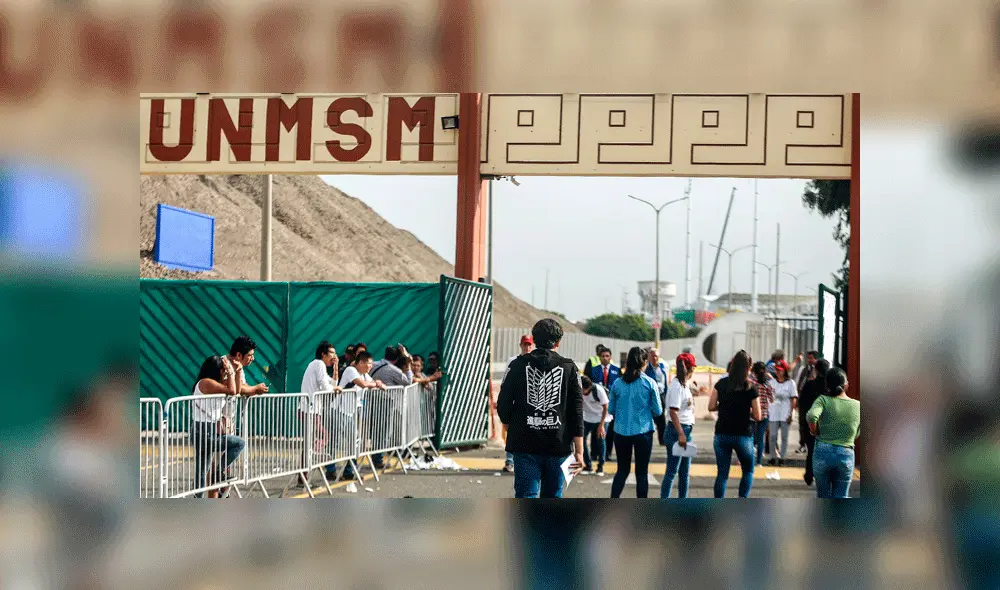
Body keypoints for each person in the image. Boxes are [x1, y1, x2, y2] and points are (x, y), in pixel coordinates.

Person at [496, 319, 585, 498]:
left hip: (524, 443)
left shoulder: (517, 365)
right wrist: (580, 452)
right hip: (559, 446)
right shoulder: (569, 368)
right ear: (558, 342)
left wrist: (509, 427)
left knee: (525, 496)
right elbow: (577, 410)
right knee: (553, 497)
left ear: (534, 340)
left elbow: (503, 404)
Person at [608, 347, 663, 498]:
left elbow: (611, 410)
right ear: (644, 362)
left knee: (622, 471)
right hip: (643, 432)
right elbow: (658, 411)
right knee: (641, 473)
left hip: (620, 431)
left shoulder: (617, 383)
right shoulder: (650, 383)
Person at [190, 356, 248, 499]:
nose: (225, 373)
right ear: (216, 370)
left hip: (206, 432)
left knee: (202, 470)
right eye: (223, 370)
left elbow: (237, 390)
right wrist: (231, 372)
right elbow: (232, 391)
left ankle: (198, 498)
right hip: (204, 432)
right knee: (239, 443)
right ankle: (218, 472)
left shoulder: (214, 383)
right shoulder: (206, 383)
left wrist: (238, 371)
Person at [710, 350, 761, 498]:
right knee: (748, 470)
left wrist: (725, 405)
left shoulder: (721, 384)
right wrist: (745, 410)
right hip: (743, 435)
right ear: (748, 367)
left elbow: (711, 406)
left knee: (722, 474)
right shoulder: (751, 388)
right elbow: (758, 415)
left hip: (721, 434)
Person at [807, 367, 861, 498]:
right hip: (846, 452)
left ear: (827, 386)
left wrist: (814, 431)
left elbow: (811, 416)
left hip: (822, 451)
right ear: (846, 385)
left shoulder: (823, 400)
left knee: (823, 495)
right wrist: (851, 437)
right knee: (841, 496)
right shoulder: (857, 405)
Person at [298, 341, 343, 483]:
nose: (334, 356)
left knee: (311, 442)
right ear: (323, 354)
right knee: (319, 438)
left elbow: (332, 383)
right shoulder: (319, 364)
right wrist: (335, 389)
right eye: (332, 353)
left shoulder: (319, 365)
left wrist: (336, 367)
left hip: (312, 410)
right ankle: (307, 469)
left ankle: (305, 472)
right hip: (308, 409)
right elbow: (326, 387)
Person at [337, 350, 384, 479]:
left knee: (353, 440)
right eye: (369, 364)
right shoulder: (351, 370)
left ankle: (348, 471)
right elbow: (364, 385)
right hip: (339, 410)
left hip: (350, 412)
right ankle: (337, 470)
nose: (371, 367)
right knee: (338, 441)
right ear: (361, 362)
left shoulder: (364, 374)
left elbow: (371, 382)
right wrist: (376, 384)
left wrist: (377, 383)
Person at [660, 353, 696, 498]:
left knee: (684, 473)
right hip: (678, 431)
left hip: (685, 430)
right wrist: (681, 434)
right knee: (672, 471)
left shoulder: (684, 384)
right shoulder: (676, 386)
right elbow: (673, 412)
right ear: (690, 368)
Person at [501, 335, 536, 473]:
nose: (527, 347)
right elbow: (505, 381)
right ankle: (510, 461)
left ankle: (527, 462)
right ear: (520, 345)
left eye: (529, 345)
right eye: (525, 345)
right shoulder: (513, 361)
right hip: (516, 403)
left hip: (531, 403)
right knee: (512, 433)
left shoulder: (536, 361)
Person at [799, 358, 831, 486]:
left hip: (810, 423)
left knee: (811, 450)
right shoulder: (831, 388)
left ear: (816, 370)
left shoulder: (809, 385)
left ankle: (809, 474)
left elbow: (802, 407)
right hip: (827, 424)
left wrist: (802, 426)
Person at [589, 346, 620, 462]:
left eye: (607, 356)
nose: (605, 358)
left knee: (610, 431)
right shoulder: (594, 369)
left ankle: (607, 453)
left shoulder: (616, 370)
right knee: (595, 429)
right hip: (597, 404)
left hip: (611, 403)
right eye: (603, 356)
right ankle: (594, 453)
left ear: (610, 357)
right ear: (599, 357)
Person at [767, 360, 798, 466]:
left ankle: (782, 457)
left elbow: (794, 398)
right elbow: (768, 398)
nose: (778, 372)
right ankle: (772, 456)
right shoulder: (771, 383)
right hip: (773, 413)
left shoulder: (791, 383)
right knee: (772, 436)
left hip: (785, 413)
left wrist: (791, 412)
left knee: (784, 437)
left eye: (781, 370)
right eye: (777, 370)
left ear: (785, 371)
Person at [579, 375, 610, 475]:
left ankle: (600, 467)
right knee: (581, 439)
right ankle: (588, 466)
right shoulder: (578, 391)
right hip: (587, 417)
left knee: (601, 440)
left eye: (582, 389)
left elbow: (606, 407)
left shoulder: (598, 391)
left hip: (602, 417)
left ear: (587, 388)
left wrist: (601, 426)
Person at [748, 361, 776, 467]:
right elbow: (772, 399)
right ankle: (759, 462)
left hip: (751, 413)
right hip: (764, 414)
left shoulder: (751, 382)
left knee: (750, 438)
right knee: (761, 439)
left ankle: (748, 460)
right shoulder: (767, 384)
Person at [795, 350, 819, 453]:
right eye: (808, 358)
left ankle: (811, 443)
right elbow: (798, 383)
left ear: (816, 359)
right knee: (802, 423)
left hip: (813, 401)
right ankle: (802, 444)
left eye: (811, 358)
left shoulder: (818, 371)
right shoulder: (803, 370)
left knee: (812, 422)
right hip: (803, 401)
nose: (809, 360)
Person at [645, 347, 669, 446]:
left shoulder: (662, 367)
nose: (654, 358)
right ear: (649, 357)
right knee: (649, 418)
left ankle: (662, 440)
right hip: (650, 397)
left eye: (656, 356)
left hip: (661, 395)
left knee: (661, 419)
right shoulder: (646, 369)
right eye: (652, 356)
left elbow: (665, 382)